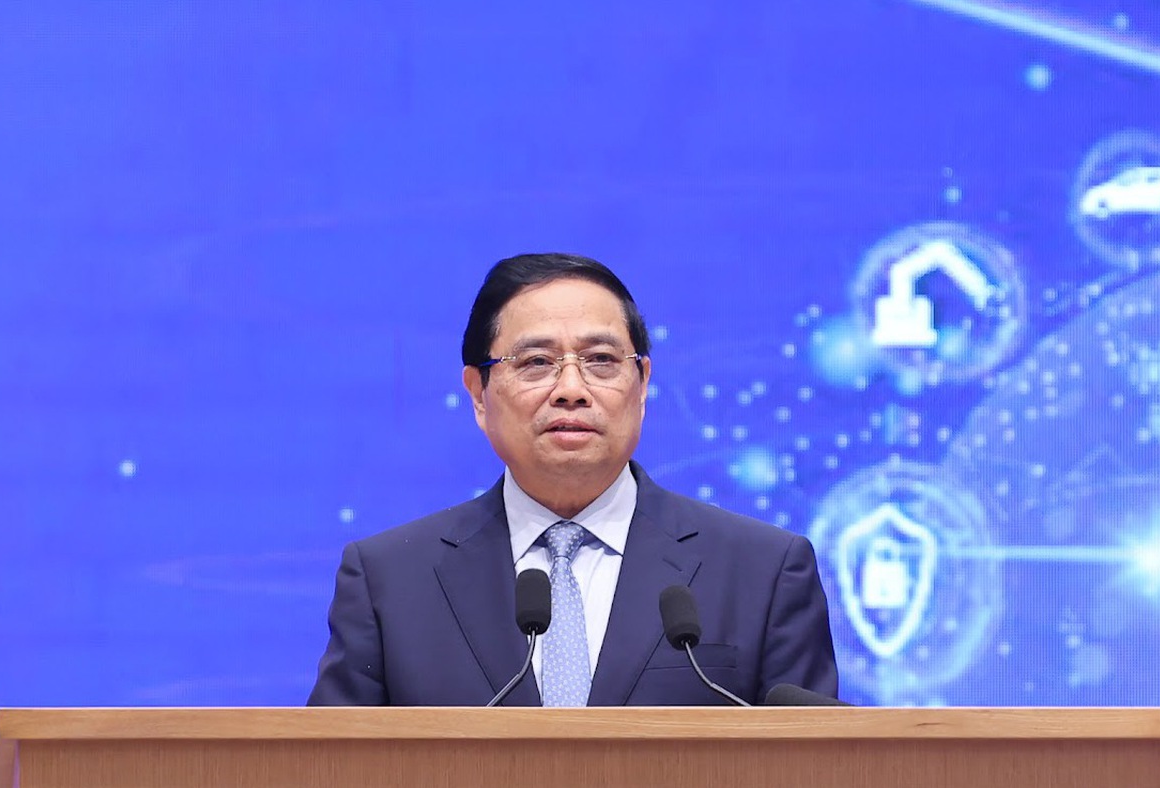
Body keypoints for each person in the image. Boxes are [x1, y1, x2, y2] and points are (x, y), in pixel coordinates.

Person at [307, 253, 837, 706]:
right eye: (536, 362)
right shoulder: (390, 581)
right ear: (478, 394)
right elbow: (330, 767)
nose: (571, 389)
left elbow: (816, 766)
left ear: (642, 384)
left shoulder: (763, 571)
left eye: (601, 360)